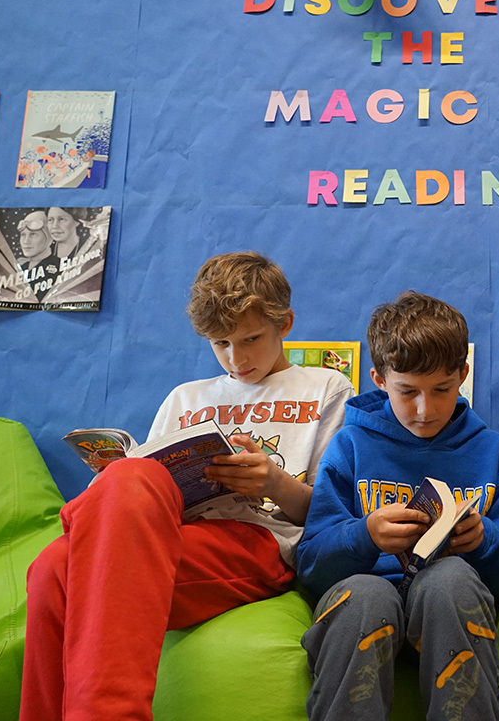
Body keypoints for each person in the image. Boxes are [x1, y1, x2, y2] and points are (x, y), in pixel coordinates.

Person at [20, 252, 355, 721]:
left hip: (258, 541)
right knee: (51, 566)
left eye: (251, 339)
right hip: (171, 532)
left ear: (285, 324)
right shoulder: (186, 397)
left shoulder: (327, 387)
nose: (236, 358)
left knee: (89, 535)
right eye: (221, 344)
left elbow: (332, 517)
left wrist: (274, 482)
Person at [297, 290, 499, 721]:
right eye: (407, 392)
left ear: (463, 374)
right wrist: (365, 535)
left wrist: (483, 540)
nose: (425, 409)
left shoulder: (491, 452)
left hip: (449, 610)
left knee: (450, 579)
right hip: (363, 605)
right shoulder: (349, 445)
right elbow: (310, 566)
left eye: (442, 390)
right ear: (379, 379)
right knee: (366, 595)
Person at [15, 210, 60, 301]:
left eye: (33, 234)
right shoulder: (18, 265)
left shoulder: (60, 267)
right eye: (23, 235)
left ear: (49, 237)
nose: (26, 241)